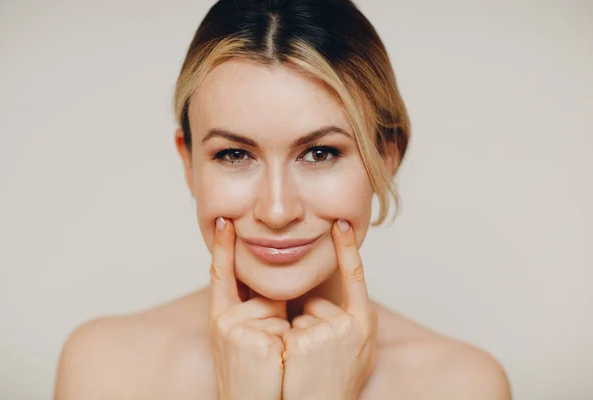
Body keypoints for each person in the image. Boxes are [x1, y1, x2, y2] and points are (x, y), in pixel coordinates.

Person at [54, 0, 511, 398]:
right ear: (189, 162)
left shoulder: (465, 385)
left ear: (385, 157)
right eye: (234, 154)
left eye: (320, 153)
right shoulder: (102, 368)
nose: (276, 211)